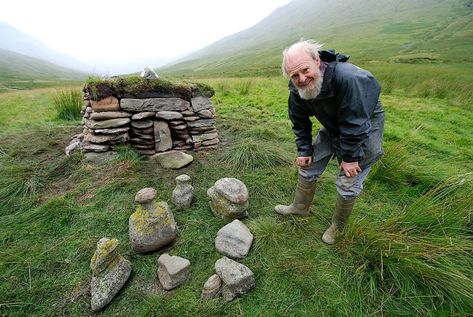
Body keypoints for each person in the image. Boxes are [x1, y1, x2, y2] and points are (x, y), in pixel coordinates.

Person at [275, 40, 384, 244]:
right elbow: (298, 120)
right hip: (333, 124)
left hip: (364, 127)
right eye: (294, 75)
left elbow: (356, 122)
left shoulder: (350, 78)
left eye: (305, 70)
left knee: (348, 180)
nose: (302, 78)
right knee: (309, 164)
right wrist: (304, 150)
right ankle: (300, 208)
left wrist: (351, 157)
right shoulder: (297, 88)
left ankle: (337, 227)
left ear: (317, 60)